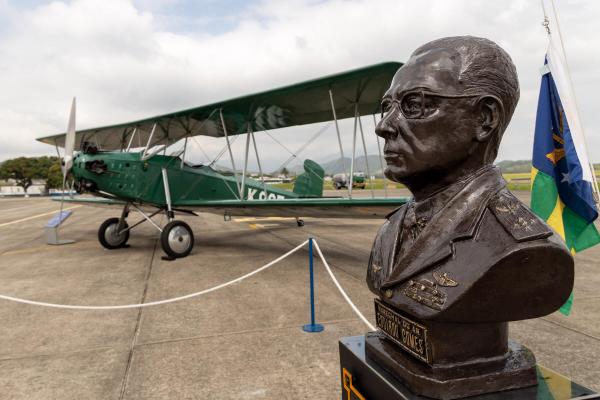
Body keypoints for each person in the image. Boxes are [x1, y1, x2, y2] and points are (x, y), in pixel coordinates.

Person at [366, 36, 573, 323]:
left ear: (484, 118)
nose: (384, 125)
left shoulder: (522, 248)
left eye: (414, 104)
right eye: (387, 106)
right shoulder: (393, 227)